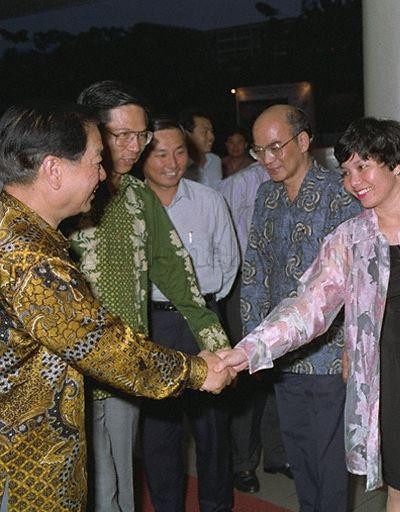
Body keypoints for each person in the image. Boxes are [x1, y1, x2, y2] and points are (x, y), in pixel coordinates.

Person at [218, 117, 400, 511]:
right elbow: (307, 307)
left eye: (364, 167)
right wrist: (246, 352)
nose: (353, 181)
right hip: (389, 375)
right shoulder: (350, 239)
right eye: (346, 171)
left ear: (395, 164)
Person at [0, 101, 233, 512]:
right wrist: (198, 371)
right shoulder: (32, 261)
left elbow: (177, 275)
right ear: (54, 170)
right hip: (26, 468)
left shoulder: (13, 226)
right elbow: (102, 346)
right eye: (96, 160)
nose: (105, 172)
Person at [71, 81, 231, 512]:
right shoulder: (67, 194)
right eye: (119, 135)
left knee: (120, 478)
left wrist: (216, 345)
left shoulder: (140, 198)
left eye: (140, 135)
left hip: (127, 368)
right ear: (90, 133)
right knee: (88, 485)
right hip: (70, 373)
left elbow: (179, 277)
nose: (132, 146)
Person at [237, 104, 361, 511]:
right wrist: (255, 344)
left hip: (329, 354)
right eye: (259, 151)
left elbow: (358, 278)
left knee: (329, 458)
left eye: (276, 147)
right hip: (283, 354)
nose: (268, 160)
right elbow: (255, 267)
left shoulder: (339, 193)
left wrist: (352, 347)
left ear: (304, 141)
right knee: (298, 451)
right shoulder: (266, 195)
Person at [140, 119, 239, 511]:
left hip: (204, 322)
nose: (172, 162)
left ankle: (217, 506)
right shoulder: (130, 207)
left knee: (212, 428)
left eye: (180, 151)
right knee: (160, 432)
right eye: (160, 153)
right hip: (154, 324)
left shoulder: (209, 200)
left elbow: (228, 264)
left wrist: (207, 310)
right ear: (144, 157)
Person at [218, 160, 284, 495]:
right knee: (246, 375)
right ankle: (242, 462)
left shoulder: (293, 182)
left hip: (282, 287)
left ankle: (276, 454)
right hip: (244, 285)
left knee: (277, 373)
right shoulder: (237, 185)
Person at [180, 107, 222, 188]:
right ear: (186, 134)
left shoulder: (215, 161)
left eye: (211, 131)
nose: (211, 137)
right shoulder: (180, 165)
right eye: (204, 132)